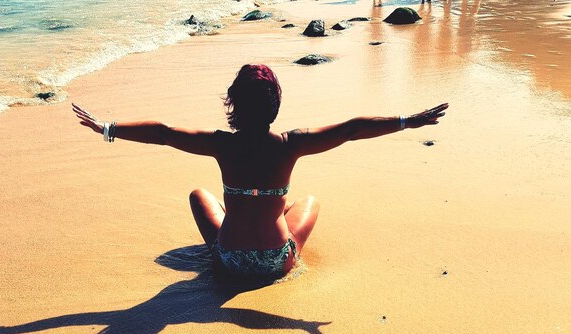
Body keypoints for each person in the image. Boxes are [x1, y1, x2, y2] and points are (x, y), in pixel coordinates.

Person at [73, 64, 448, 278]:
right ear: (276, 103)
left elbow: (165, 134)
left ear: (233, 103)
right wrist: (406, 121)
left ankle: (258, 208)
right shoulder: (290, 143)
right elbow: (350, 130)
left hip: (230, 260)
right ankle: (271, 211)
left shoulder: (222, 144)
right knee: (310, 201)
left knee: (198, 195)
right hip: (275, 261)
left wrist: (107, 128)